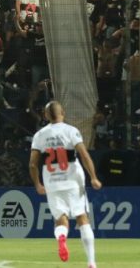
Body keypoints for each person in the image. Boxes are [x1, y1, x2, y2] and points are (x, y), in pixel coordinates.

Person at [29, 101, 103, 267]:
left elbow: (32, 164)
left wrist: (37, 184)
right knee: (82, 218)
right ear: (63, 112)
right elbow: (84, 155)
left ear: (46, 115)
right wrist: (93, 177)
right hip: (72, 181)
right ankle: (91, 263)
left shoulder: (40, 135)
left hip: (52, 182)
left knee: (60, 219)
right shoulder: (71, 131)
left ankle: (62, 237)